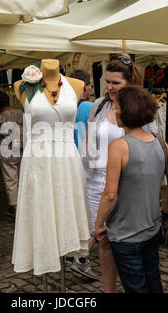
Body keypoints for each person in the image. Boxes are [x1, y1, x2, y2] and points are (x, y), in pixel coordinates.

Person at [94, 86, 168, 293]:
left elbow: (110, 194)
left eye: (117, 107)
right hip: (151, 230)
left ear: (126, 111)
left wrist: (98, 225)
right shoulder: (160, 142)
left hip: (125, 235)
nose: (115, 111)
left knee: (136, 287)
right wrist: (165, 212)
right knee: (153, 282)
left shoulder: (119, 146)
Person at [12, 59, 91, 277]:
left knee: (66, 206)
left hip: (66, 160)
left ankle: (68, 250)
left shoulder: (74, 85)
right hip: (37, 160)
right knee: (42, 210)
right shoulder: (22, 86)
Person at [81, 55, 143, 293]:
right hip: (96, 182)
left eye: (115, 83)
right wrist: (80, 168)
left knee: (126, 243)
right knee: (103, 241)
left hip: (126, 186)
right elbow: (88, 137)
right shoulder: (99, 105)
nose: (109, 87)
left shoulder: (139, 107)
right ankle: (109, 290)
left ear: (129, 82)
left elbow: (148, 144)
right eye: (107, 81)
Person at [65, 69, 99, 280]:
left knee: (72, 212)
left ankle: (69, 258)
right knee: (88, 215)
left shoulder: (63, 107)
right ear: (84, 87)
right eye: (89, 87)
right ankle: (82, 260)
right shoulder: (88, 107)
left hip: (66, 163)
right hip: (85, 164)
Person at [0, 91, 23, 218]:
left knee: (10, 180)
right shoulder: (20, 113)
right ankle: (20, 206)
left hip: (6, 151)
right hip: (21, 149)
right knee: (20, 179)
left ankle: (15, 209)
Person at [71, 70, 94, 151]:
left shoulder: (66, 106)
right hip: (84, 153)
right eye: (91, 86)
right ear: (85, 86)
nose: (91, 89)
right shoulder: (90, 106)